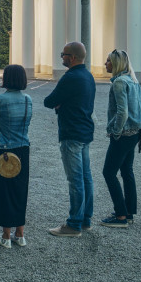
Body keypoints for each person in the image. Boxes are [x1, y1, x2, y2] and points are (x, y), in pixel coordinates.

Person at [43, 41, 96, 238]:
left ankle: (73, 224)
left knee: (75, 180)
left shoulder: (70, 77)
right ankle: (85, 220)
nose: (61, 57)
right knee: (86, 178)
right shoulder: (88, 76)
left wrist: (60, 105)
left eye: (63, 54)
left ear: (72, 58)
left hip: (71, 132)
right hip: (85, 131)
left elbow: (49, 101)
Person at [0, 64, 32, 249]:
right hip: (22, 149)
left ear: (6, 79)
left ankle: (5, 236)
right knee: (20, 191)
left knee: (3, 191)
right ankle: (20, 234)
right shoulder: (28, 100)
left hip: (2, 150)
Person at [101, 49, 141, 228]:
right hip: (135, 132)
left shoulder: (118, 82)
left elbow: (122, 111)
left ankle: (120, 216)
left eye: (108, 61)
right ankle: (129, 212)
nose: (105, 64)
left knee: (108, 172)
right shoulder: (133, 80)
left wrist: (116, 131)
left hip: (124, 134)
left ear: (116, 64)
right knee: (127, 171)